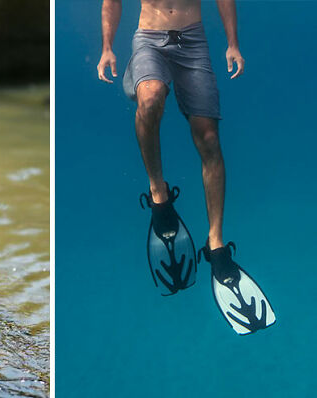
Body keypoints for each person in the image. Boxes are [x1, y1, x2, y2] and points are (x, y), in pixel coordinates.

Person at [96, 0, 275, 335]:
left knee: (208, 137)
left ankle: (216, 243)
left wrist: (232, 43)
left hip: (193, 41)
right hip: (149, 38)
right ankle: (158, 192)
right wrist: (107, 48)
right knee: (150, 99)